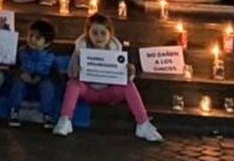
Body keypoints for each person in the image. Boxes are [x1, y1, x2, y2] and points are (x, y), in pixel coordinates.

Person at [54, 13, 162, 142]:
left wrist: (129, 72)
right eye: (95, 33)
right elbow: (71, 72)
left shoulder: (116, 51)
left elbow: (125, 77)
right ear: (88, 34)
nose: (99, 37)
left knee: (129, 86)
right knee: (73, 84)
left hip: (108, 92)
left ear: (110, 34)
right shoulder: (80, 50)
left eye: (103, 33)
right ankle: (65, 119)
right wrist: (75, 71)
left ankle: (143, 123)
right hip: (88, 91)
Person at [8, 19, 58, 129]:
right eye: (30, 35)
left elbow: (55, 76)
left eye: (38, 38)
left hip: (42, 81)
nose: (32, 40)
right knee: (17, 83)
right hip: (24, 79)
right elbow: (13, 67)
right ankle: (14, 111)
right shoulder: (21, 52)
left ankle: (47, 114)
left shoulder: (51, 57)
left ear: (47, 43)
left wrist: (41, 78)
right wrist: (21, 74)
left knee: (48, 86)